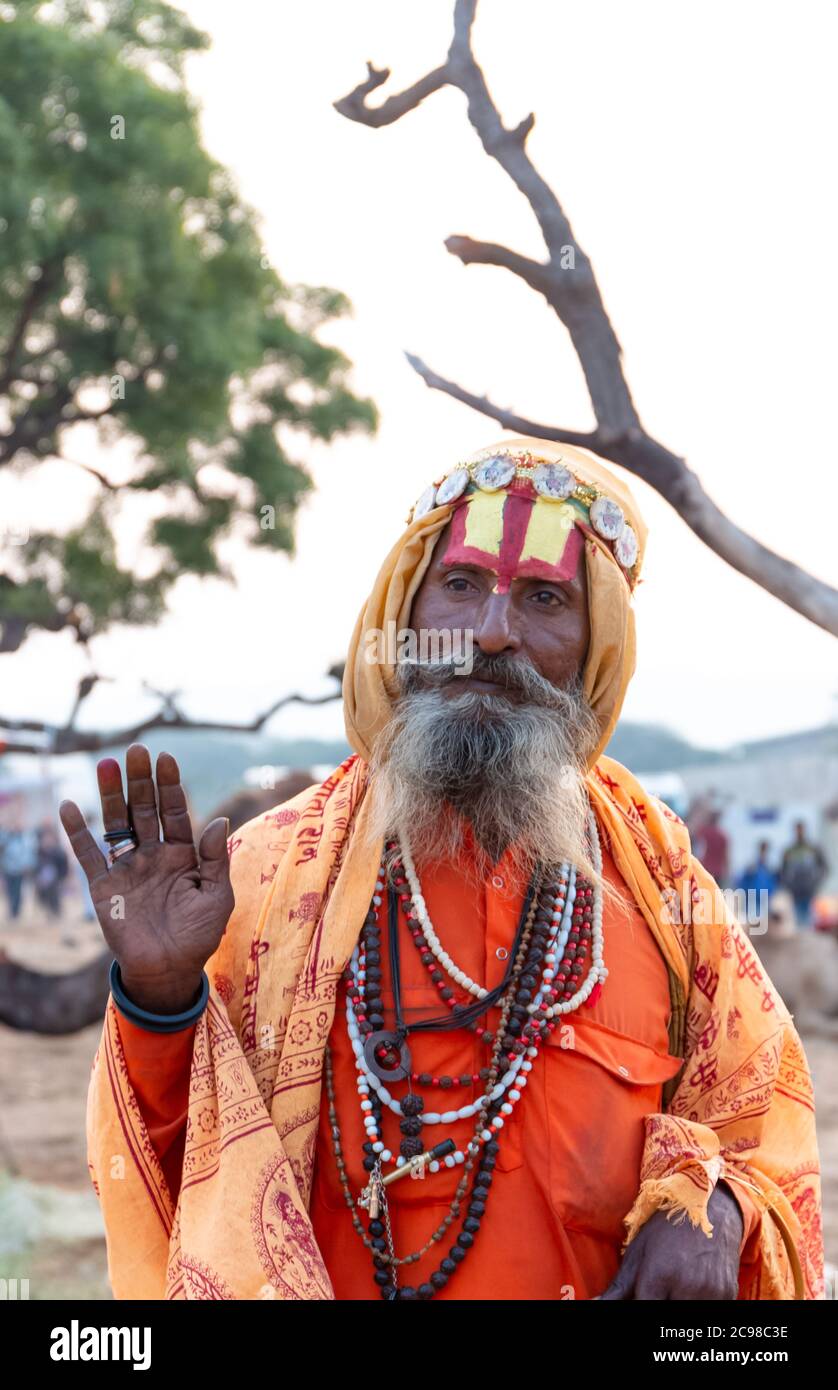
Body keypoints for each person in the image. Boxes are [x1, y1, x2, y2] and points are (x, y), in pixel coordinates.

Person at [60, 438, 823, 1302]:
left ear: (596, 644)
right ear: (407, 609)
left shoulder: (664, 884)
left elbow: (764, 1135)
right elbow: (176, 1186)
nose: (493, 632)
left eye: (545, 599)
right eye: (461, 586)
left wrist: (715, 1209)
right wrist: (159, 1003)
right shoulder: (264, 879)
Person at [780, 821, 828, 929]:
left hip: (810, 890)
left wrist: (816, 882)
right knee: (797, 921)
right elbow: (782, 871)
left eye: (801, 829)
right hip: (795, 891)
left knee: (810, 920)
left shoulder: (813, 849)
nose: (799, 832)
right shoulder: (789, 850)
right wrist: (788, 885)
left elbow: (824, 867)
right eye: (797, 829)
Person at [736, 840, 778, 932]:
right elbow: (742, 883)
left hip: (764, 901)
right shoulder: (752, 867)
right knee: (753, 928)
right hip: (753, 901)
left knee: (762, 928)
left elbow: (772, 885)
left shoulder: (769, 867)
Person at [0, 818, 37, 921]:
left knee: (17, 892)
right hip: (8, 869)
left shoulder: (25, 839)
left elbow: (28, 854)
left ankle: (15, 912)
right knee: (9, 892)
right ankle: (12, 911)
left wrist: (28, 865)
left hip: (20, 870)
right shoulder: (6, 838)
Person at [34, 823, 69, 918]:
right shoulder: (39, 851)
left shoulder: (59, 851)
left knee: (55, 896)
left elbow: (64, 865)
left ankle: (56, 912)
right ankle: (49, 912)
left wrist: (63, 876)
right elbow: (36, 866)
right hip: (43, 880)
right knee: (43, 897)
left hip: (56, 879)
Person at [690, 808, 730, 889]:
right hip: (719, 873)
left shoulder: (702, 832)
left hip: (704, 870)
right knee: (716, 898)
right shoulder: (723, 836)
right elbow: (726, 857)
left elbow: (696, 850)